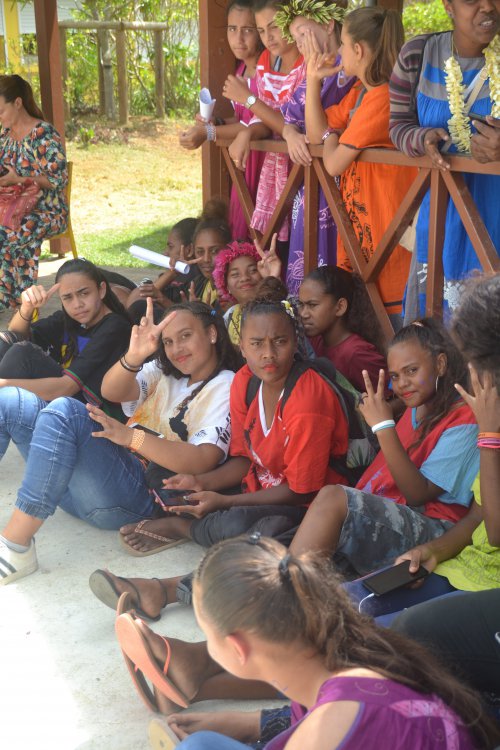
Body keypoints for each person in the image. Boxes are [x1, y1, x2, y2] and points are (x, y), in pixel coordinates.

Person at [114, 536, 498, 749]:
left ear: (238, 648)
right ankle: (192, 679)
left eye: (206, 634)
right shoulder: (351, 662)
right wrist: (251, 727)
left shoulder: (324, 727)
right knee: (202, 745)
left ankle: (190, 677)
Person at [0, 299, 239, 585]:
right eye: (168, 341)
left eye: (185, 336)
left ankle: (16, 547)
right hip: (81, 488)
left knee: (67, 411)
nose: (177, 348)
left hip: (135, 496)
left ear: (212, 333)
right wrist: (135, 356)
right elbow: (111, 391)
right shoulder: (164, 370)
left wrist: (131, 437)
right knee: (9, 400)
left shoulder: (226, 384)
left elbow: (202, 459)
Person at [118, 293, 349, 556]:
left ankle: (182, 528)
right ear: (242, 347)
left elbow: (300, 492)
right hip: (258, 487)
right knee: (172, 480)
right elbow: (244, 459)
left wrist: (225, 501)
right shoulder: (245, 380)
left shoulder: (307, 400)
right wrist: (201, 482)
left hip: (306, 505)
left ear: (295, 342)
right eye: (257, 343)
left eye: (280, 341)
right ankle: (203, 522)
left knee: (238, 527)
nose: (268, 354)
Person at [288, 318, 479, 576]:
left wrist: (383, 426)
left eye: (412, 371)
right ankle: (292, 584)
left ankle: (284, 590)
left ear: (441, 364)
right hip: (397, 508)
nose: (402, 384)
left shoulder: (465, 420)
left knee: (333, 498)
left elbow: (418, 494)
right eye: (395, 376)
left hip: (436, 529)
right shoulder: (420, 405)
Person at [307, 8, 417, 328]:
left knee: (393, 337)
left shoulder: (383, 98)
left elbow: (332, 162)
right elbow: (317, 132)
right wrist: (312, 82)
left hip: (388, 249)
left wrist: (331, 137)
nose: (339, 51)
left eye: (342, 43)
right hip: (367, 247)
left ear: (357, 50)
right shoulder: (361, 94)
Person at [389, 3, 500, 320]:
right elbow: (398, 126)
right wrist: (422, 139)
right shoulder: (418, 55)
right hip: (441, 215)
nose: (487, 6)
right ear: (448, 6)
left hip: (495, 218)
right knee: (437, 326)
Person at [273, 0, 354, 294]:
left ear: (329, 25)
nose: (299, 43)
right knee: (306, 263)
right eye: (295, 38)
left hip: (340, 181)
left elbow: (322, 132)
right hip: (309, 188)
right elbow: (289, 119)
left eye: (303, 33)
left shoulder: (349, 69)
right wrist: (290, 134)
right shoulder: (308, 70)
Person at [179, 0, 265, 241]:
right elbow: (241, 118)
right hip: (244, 161)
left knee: (261, 231)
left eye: (247, 30)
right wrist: (216, 122)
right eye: (232, 29)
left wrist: (208, 133)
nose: (238, 38)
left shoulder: (266, 71)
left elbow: (256, 123)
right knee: (243, 227)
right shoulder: (240, 69)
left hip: (263, 161)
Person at [0, 258, 131, 414]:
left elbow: (66, 387)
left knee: (23, 353)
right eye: (68, 297)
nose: (77, 304)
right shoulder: (67, 319)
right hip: (62, 403)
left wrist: (3, 385)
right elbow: (14, 336)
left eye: (84, 293)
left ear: (101, 290)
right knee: (6, 344)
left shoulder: (114, 326)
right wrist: (27, 308)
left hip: (92, 414)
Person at [224, 0, 304, 244]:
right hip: (271, 174)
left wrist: (248, 99)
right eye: (260, 30)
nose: (268, 37)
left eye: (274, 27)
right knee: (268, 247)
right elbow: (268, 119)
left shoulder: (308, 63)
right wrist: (248, 132)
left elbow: (289, 123)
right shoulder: (267, 60)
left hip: (303, 171)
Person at [0, 74, 68, 311]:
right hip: (12, 208)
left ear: (18, 103)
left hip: (48, 211)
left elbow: (59, 179)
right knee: (8, 227)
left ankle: (24, 300)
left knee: (15, 229)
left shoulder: (43, 134)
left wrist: (19, 179)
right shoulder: (4, 137)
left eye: (1, 110)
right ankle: (9, 296)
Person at [298, 265, 387, 392]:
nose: (303, 314)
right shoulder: (315, 341)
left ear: (340, 307)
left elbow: (394, 397)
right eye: (301, 305)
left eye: (312, 305)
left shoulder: (356, 353)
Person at [126, 216, 201, 323]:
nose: (165, 253)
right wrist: (172, 273)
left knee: (138, 307)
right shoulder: (175, 275)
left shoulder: (194, 279)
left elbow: (134, 303)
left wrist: (163, 298)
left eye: (171, 247)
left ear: (189, 250)